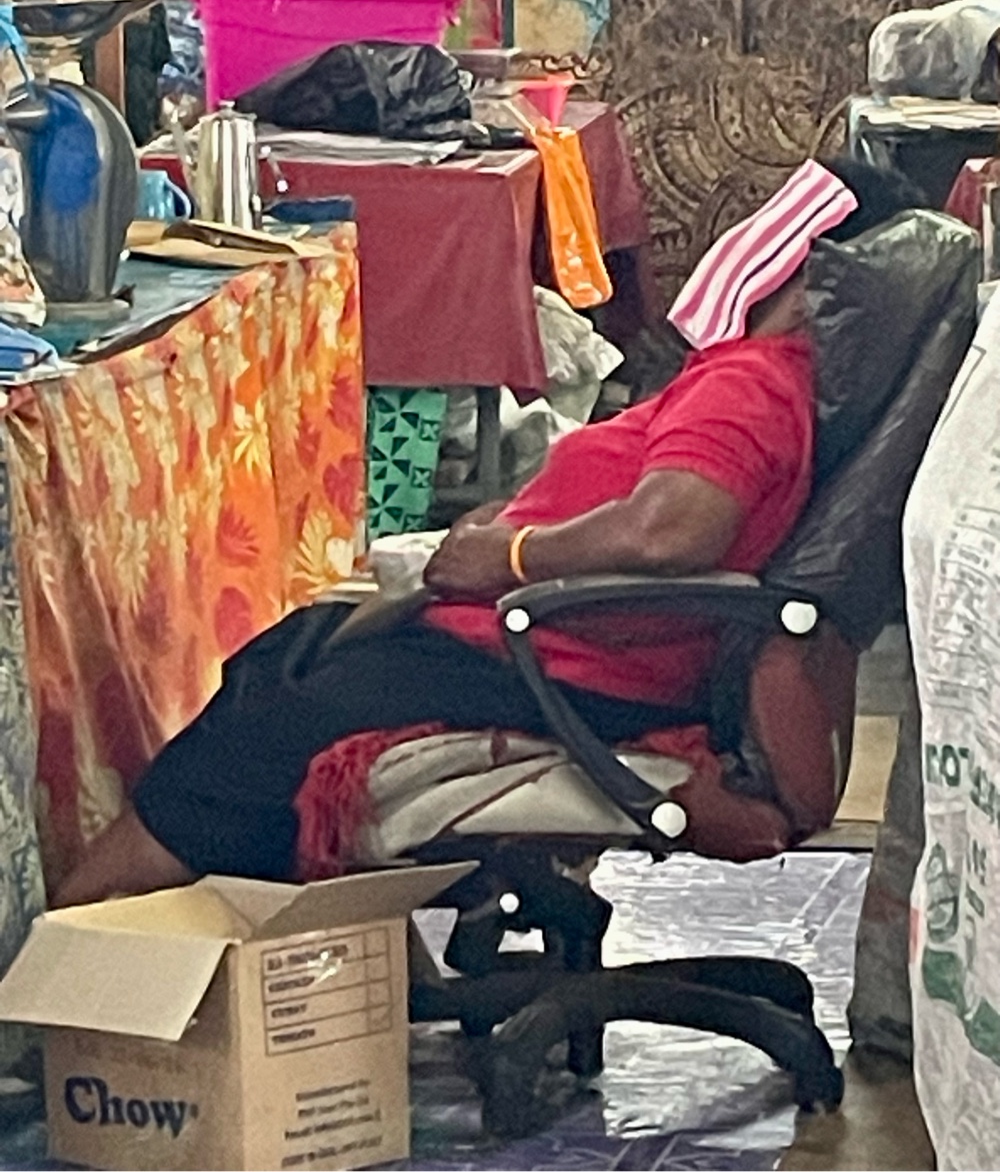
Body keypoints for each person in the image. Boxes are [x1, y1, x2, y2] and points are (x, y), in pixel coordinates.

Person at [53, 158, 925, 908]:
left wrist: (507, 555)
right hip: (574, 642)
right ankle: (305, 967)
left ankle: (78, 964)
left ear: (802, 273)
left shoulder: (755, 385)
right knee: (285, 656)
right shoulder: (778, 382)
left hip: (563, 660)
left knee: (258, 735)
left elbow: (672, 532)